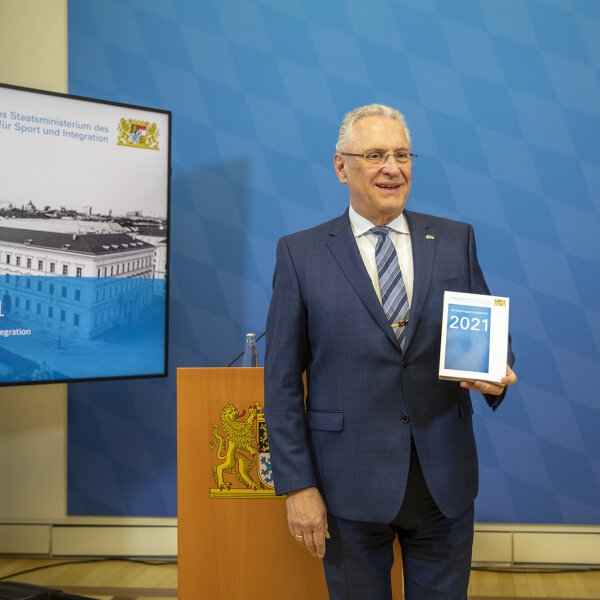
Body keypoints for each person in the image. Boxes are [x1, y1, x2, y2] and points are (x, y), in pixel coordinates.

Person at [264, 104, 516, 600]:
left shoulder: (453, 239)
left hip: (443, 479)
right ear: (342, 167)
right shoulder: (301, 253)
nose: (392, 168)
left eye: (402, 154)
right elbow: (281, 380)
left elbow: (491, 334)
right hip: (346, 485)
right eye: (375, 154)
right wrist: (297, 485)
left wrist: (497, 369)